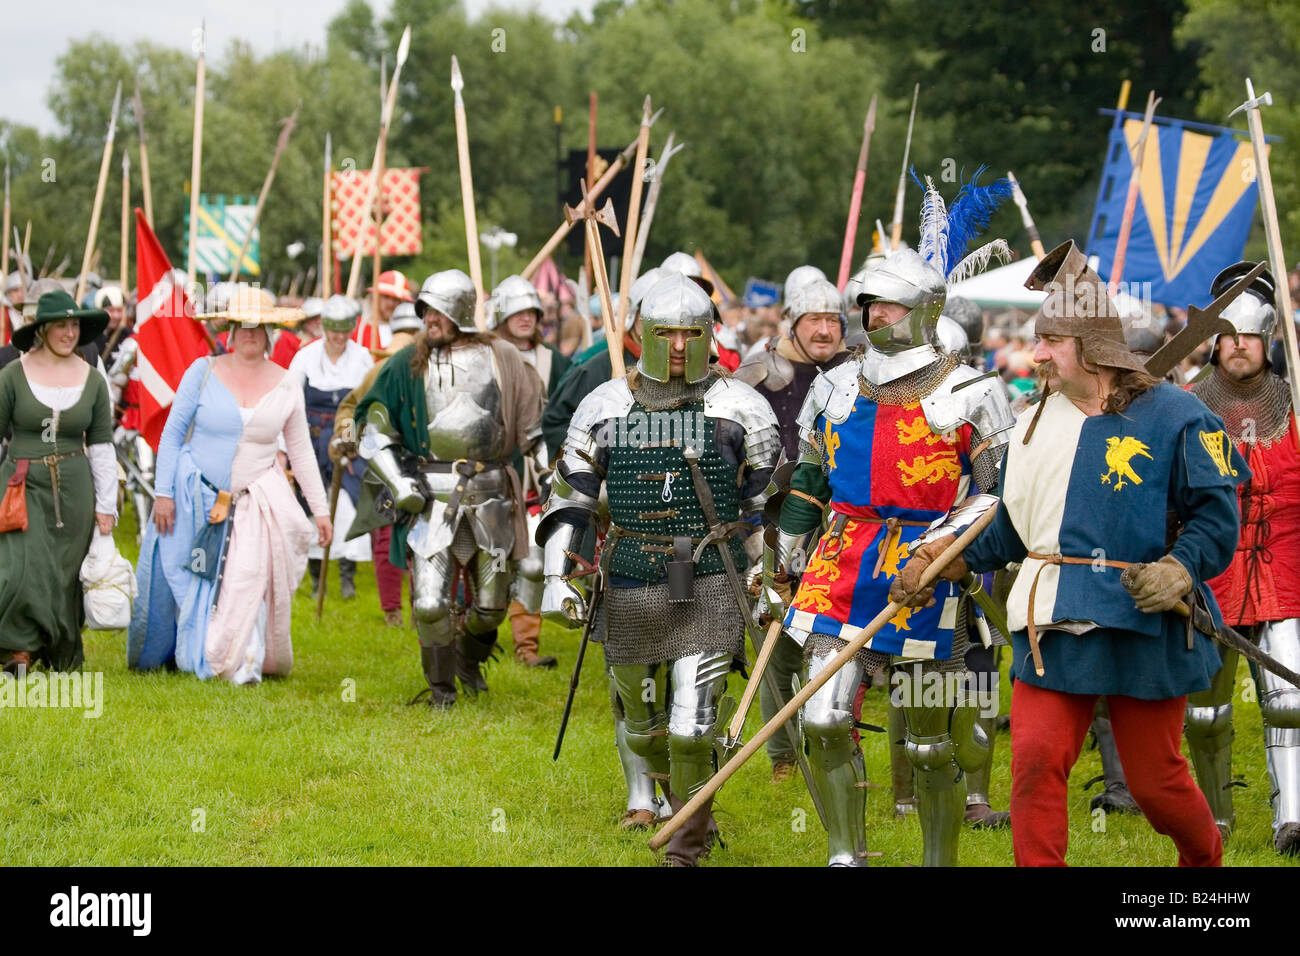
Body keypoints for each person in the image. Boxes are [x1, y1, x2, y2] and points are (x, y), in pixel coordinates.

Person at [895, 239, 1245, 867]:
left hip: (1145, 618)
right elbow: (1012, 530)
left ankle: (1204, 865)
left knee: (1155, 784)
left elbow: (1217, 520)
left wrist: (1178, 568)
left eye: (1051, 341)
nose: (1039, 353)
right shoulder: (1033, 421)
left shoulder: (1179, 417)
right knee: (1033, 765)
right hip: (1051, 618)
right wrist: (945, 559)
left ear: (1089, 345)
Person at [764, 241, 1014, 867]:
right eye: (870, 305)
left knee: (930, 746)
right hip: (842, 560)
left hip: (928, 567)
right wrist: (782, 559)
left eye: (890, 307)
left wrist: (938, 551)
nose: (876, 317)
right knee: (821, 720)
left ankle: (938, 859)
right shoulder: (835, 385)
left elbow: (999, 493)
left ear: (922, 311)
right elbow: (811, 483)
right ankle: (847, 854)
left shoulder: (973, 391)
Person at [538, 273, 780, 865]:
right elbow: (569, 496)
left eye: (690, 333)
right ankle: (683, 804)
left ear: (708, 335)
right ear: (642, 334)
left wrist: (767, 575)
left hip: (710, 574)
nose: (677, 345)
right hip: (628, 572)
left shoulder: (742, 408)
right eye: (665, 332)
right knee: (643, 726)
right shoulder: (605, 406)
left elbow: (761, 510)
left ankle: (686, 844)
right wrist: (553, 577)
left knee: (691, 727)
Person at [355, 269, 544, 706]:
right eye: (425, 312)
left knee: (493, 606)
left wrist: (553, 482)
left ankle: (467, 659)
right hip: (431, 496)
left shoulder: (503, 357)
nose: (428, 320)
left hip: (493, 492)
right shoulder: (407, 363)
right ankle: (440, 689)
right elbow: (373, 423)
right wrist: (399, 481)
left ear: (458, 311)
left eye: (436, 312)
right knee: (429, 604)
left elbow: (531, 433)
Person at [129, 285, 332, 684]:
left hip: (255, 500)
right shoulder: (202, 372)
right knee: (187, 576)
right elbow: (171, 436)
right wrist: (164, 493)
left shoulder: (288, 382)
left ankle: (245, 660)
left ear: (269, 334)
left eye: (257, 327)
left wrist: (320, 510)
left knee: (247, 578)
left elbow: (301, 451)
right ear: (230, 331)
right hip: (193, 494)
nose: (249, 334)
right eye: (242, 326)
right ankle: (189, 646)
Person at [1186, 261, 1300, 855]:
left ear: (1268, 340)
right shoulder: (1187, 406)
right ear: (1214, 342)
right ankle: (1216, 819)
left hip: (1287, 567)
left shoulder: (1296, 400)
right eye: (1228, 336)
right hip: (1214, 570)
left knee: (1292, 701)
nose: (1238, 347)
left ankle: (1293, 817)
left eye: (1249, 336)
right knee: (1206, 713)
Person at [733, 272, 850, 784]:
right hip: (771, 522)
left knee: (832, 641)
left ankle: (830, 738)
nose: (824, 330)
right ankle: (783, 755)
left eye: (832, 320)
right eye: (814, 320)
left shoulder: (859, 371)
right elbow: (730, 448)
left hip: (841, 526)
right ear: (792, 322)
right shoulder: (756, 373)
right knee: (777, 642)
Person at [0, 290, 115, 673]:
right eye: (62, 325)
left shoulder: (93, 381)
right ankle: (18, 649)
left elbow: (101, 445)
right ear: (43, 329)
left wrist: (106, 506)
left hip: (75, 486)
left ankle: (57, 648)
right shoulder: (12, 376)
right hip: (22, 483)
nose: (70, 332)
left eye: (75, 325)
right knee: (22, 566)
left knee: (64, 572)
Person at [489, 274, 570, 668]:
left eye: (531, 311)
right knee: (489, 555)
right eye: (517, 311)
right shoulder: (483, 354)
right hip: (492, 467)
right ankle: (473, 635)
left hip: (539, 469)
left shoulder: (555, 360)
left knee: (534, 559)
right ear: (501, 313)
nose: (525, 318)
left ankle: (526, 646)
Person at [332, 300, 421, 627]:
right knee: (388, 536)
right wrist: (349, 436)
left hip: (425, 461)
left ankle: (415, 607)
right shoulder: (380, 370)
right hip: (386, 460)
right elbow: (351, 407)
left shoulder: (434, 368)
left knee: (417, 539)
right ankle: (394, 611)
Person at [288, 294, 374, 600]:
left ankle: (346, 577)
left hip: (347, 437)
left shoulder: (363, 357)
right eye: (333, 329)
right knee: (313, 504)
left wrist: (348, 441)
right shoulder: (305, 357)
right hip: (310, 438)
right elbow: (291, 402)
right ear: (324, 327)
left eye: (344, 329)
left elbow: (363, 404)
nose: (338, 336)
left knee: (348, 506)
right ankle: (315, 579)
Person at [355, 269, 413, 351]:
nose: (391, 304)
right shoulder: (357, 328)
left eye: (396, 299)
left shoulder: (407, 332)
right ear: (374, 297)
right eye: (386, 297)